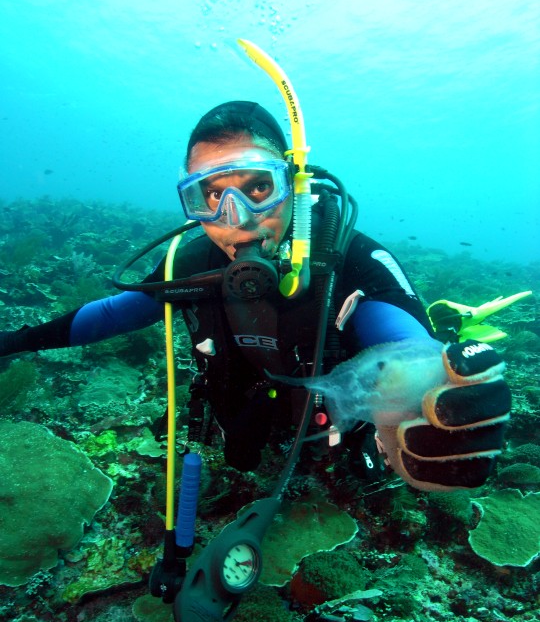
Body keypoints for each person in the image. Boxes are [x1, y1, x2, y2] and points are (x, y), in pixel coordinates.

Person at [0, 101, 511, 492]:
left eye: (258, 188)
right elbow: (115, 313)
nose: (237, 218)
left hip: (334, 417)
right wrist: (15, 341)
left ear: (294, 183)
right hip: (251, 400)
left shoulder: (352, 259)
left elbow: (404, 344)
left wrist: (433, 384)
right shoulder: (189, 262)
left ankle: (455, 322)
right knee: (240, 454)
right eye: (211, 195)